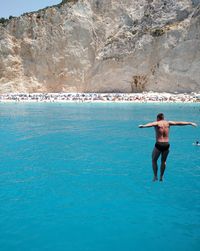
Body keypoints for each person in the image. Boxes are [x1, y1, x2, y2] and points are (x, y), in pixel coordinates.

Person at [139, 113, 197, 182]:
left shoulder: (157, 123)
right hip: (166, 144)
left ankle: (155, 176)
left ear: (158, 118)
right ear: (163, 118)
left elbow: (150, 124)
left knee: (154, 160)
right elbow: (178, 123)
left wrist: (143, 126)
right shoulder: (168, 123)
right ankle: (161, 177)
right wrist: (189, 123)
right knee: (163, 161)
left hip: (159, 144)